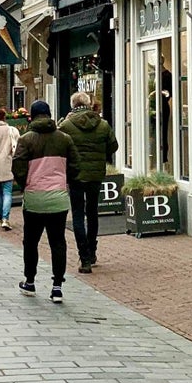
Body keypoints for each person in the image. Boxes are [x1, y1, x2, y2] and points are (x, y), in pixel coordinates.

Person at [12, 100, 79, 303]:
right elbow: (75, 166)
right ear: (50, 115)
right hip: (58, 198)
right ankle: (57, 286)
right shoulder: (64, 139)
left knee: (30, 241)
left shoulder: (26, 140)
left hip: (34, 198)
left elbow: (18, 166)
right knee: (58, 242)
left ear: (32, 116)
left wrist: (26, 185)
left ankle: (30, 281)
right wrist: (63, 182)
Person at [60, 92, 119, 273]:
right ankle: (92, 251)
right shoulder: (102, 125)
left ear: (73, 105)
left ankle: (84, 257)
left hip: (76, 175)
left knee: (77, 214)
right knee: (92, 212)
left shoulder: (66, 125)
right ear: (89, 104)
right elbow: (113, 146)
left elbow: (60, 147)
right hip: (95, 175)